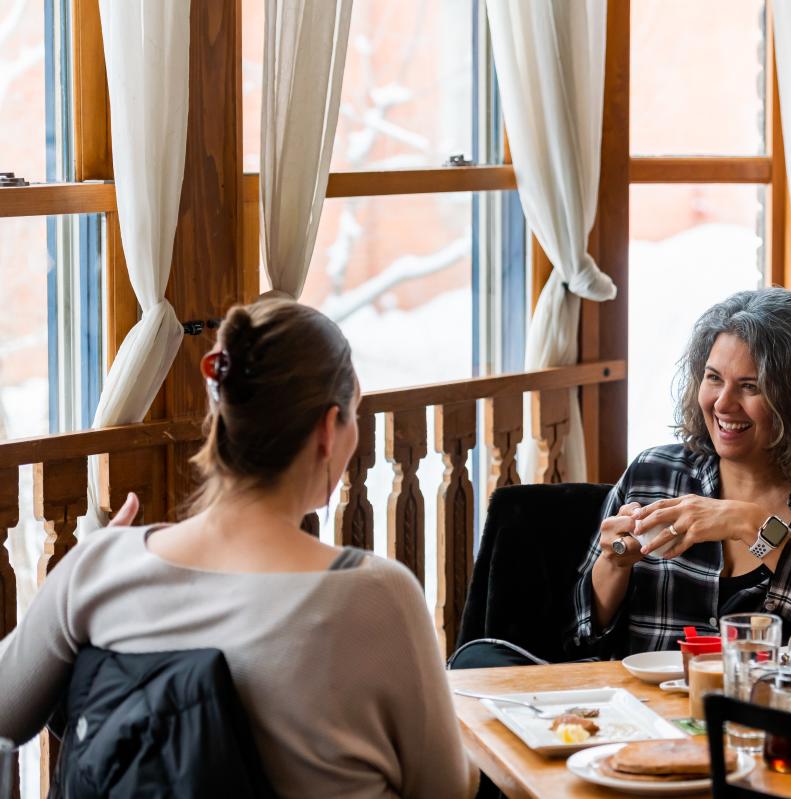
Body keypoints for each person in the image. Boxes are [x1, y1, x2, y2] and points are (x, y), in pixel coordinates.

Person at [0, 300, 477, 799]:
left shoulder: (98, 567)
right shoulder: (379, 596)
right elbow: (445, 787)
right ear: (325, 430)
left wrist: (72, 577)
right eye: (353, 416)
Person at [570, 288, 791, 659]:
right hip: (644, 712)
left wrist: (751, 524)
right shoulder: (653, 474)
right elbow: (581, 634)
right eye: (713, 378)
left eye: (750, 386)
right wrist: (612, 561)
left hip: (776, 713)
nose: (723, 404)